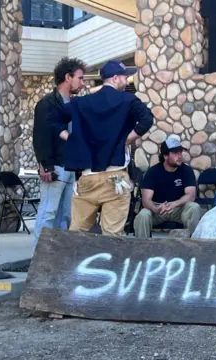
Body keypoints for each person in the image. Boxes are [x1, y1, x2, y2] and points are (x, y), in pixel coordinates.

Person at [50, 60, 153, 236]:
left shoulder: (82, 102)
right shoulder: (128, 100)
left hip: (88, 178)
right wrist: (126, 140)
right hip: (116, 177)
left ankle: (70, 263)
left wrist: (71, 139)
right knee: (112, 235)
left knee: (76, 233)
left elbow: (53, 119)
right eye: (124, 76)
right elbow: (147, 119)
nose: (126, 80)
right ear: (114, 78)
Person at [32, 57, 86, 249]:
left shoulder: (74, 104)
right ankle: (38, 256)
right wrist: (45, 165)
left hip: (70, 166)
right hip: (55, 166)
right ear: (67, 77)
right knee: (48, 212)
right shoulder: (47, 104)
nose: (82, 82)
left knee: (65, 215)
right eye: (80, 78)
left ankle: (55, 256)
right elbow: (40, 137)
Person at [133, 137, 201, 238]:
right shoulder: (153, 172)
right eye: (175, 153)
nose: (180, 156)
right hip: (157, 209)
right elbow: (146, 200)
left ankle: (195, 246)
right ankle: (142, 249)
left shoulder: (186, 170)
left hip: (179, 208)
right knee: (143, 215)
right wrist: (155, 209)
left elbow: (191, 195)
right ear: (165, 156)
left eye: (180, 152)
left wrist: (174, 204)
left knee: (194, 207)